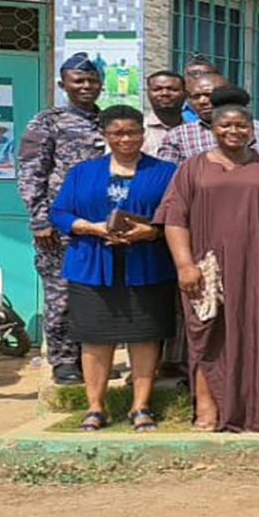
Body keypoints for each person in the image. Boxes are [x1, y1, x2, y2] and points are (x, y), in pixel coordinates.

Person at [156, 99, 259, 432]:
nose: (234, 131)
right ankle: (208, 407)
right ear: (213, 129)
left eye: (241, 125)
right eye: (226, 125)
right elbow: (174, 220)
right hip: (208, 266)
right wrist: (184, 264)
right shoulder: (192, 169)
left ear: (252, 130)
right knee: (208, 333)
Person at [49, 106, 177, 431]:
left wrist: (152, 231)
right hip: (91, 265)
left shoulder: (165, 172)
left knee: (145, 336)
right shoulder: (83, 172)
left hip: (146, 265)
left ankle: (141, 406)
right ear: (104, 136)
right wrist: (89, 228)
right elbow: (60, 212)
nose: (126, 139)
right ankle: (96, 407)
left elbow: (176, 214)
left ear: (143, 134)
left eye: (132, 132)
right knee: (95, 338)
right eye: (117, 133)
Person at [17, 52, 106, 384]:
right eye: (78, 81)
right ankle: (64, 360)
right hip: (59, 226)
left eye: (92, 80)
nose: (86, 86)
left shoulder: (109, 121)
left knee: (97, 292)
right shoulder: (47, 121)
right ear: (63, 85)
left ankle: (91, 356)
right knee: (62, 293)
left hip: (101, 225)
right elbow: (30, 172)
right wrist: (39, 219)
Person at [158, 76, 259, 163]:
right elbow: (169, 181)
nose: (202, 101)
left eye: (209, 95)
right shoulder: (178, 136)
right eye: (196, 97)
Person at [142, 71, 186, 157]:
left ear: (186, 94)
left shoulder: (195, 132)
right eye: (157, 89)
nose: (165, 93)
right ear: (148, 94)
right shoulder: (136, 130)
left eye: (173, 89)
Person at [179, 55, 218, 123]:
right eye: (194, 74)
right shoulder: (176, 107)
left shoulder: (222, 106)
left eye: (207, 74)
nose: (200, 77)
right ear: (185, 78)